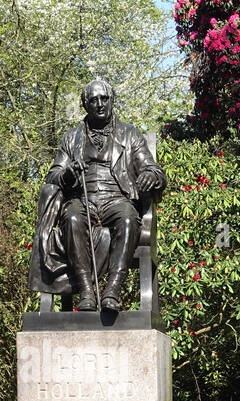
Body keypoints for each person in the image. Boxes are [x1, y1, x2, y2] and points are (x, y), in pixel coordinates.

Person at [31, 79, 167, 312]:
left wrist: (150, 177)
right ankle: (86, 292)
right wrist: (66, 175)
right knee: (72, 218)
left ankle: (112, 291)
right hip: (83, 200)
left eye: (104, 98)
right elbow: (53, 175)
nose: (100, 104)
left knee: (127, 219)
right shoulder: (71, 138)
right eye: (93, 100)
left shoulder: (130, 134)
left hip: (117, 199)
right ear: (85, 105)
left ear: (112, 101)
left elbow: (154, 170)